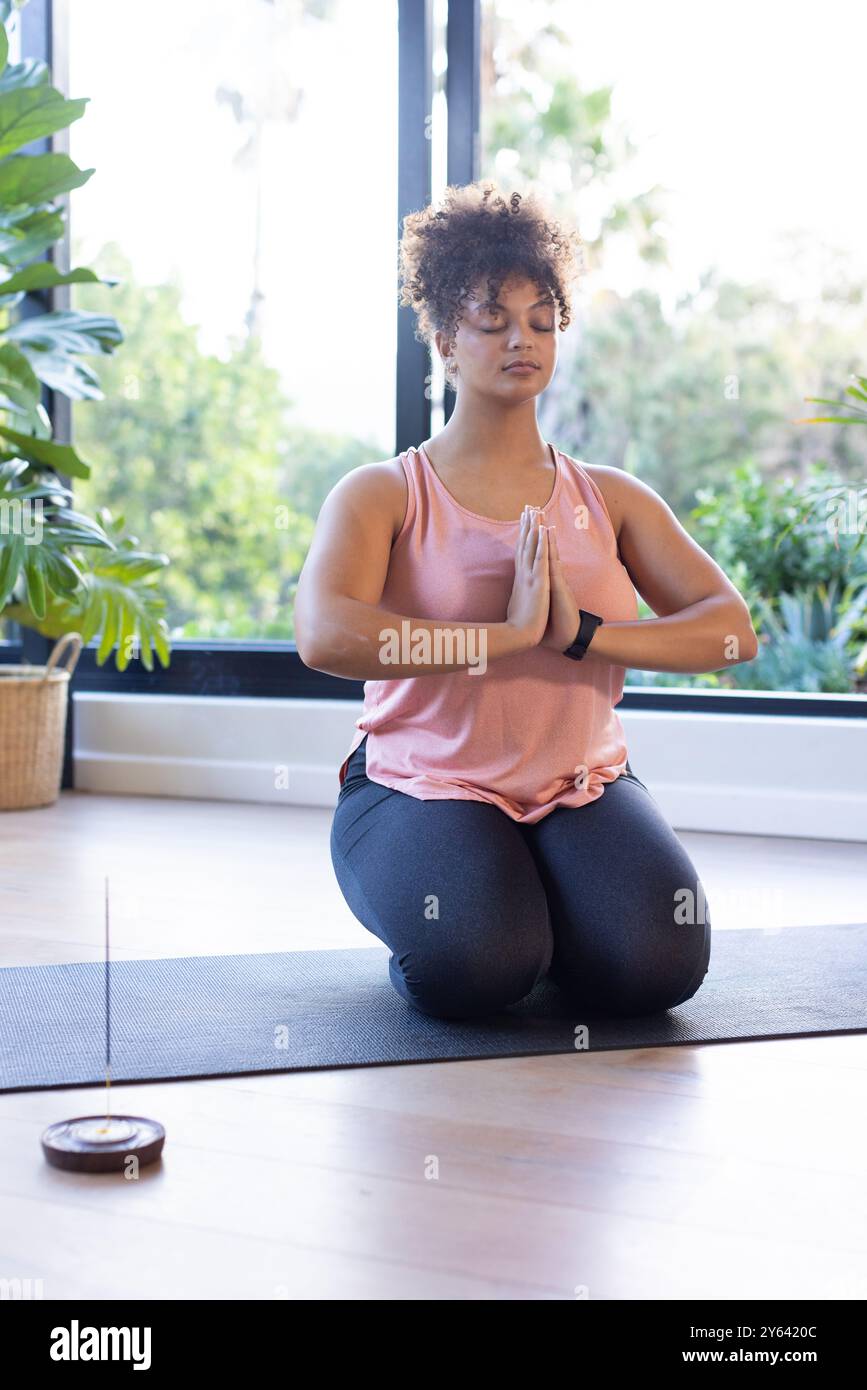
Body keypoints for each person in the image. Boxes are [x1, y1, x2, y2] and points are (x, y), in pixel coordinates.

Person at [294, 181, 758, 1021]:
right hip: (421, 787)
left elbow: (729, 632)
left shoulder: (610, 497)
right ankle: (496, 917)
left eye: (542, 321)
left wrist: (580, 634)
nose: (522, 340)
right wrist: (497, 639)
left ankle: (537, 900)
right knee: (479, 969)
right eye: (492, 320)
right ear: (444, 339)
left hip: (577, 785)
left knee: (660, 967)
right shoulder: (382, 494)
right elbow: (325, 637)